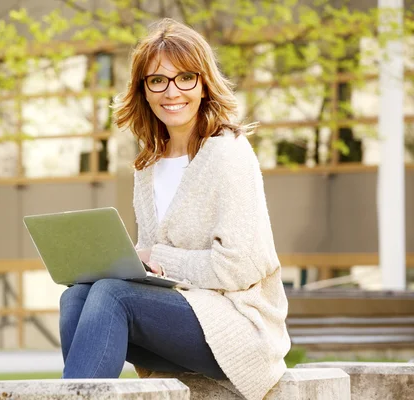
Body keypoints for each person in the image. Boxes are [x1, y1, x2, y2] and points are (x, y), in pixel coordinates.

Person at [58, 18, 290, 400]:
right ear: (144, 91)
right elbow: (153, 271)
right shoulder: (147, 166)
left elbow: (240, 265)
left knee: (112, 294)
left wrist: (157, 258)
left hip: (240, 325)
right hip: (179, 317)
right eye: (157, 80)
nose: (172, 91)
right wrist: (129, 262)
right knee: (77, 296)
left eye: (185, 78)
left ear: (203, 85)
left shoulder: (228, 153)